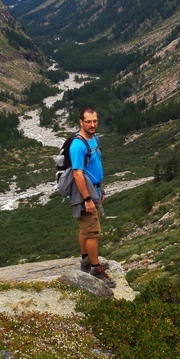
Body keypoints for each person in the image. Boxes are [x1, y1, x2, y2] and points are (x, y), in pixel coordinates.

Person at [69, 107, 115, 288]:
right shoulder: (78, 145)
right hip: (84, 194)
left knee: (85, 229)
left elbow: (95, 165)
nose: (92, 124)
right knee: (93, 233)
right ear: (81, 122)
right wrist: (88, 199)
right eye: (88, 121)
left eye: (95, 121)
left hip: (94, 189)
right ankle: (95, 268)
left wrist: (100, 188)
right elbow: (77, 175)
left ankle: (85, 261)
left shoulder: (94, 139)